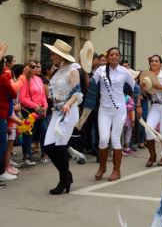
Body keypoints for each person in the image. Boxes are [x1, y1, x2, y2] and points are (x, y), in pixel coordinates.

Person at [82, 47, 140, 181]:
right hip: (104, 110)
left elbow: (135, 87)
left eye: (116, 55)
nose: (114, 56)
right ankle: (102, 168)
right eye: (111, 54)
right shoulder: (100, 70)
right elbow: (91, 84)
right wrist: (86, 70)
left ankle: (116, 170)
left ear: (119, 57)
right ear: (108, 57)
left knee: (115, 139)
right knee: (103, 139)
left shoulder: (124, 71)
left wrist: (137, 106)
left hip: (119, 110)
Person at [42, 40, 83, 194]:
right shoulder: (57, 71)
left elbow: (77, 92)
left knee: (59, 146)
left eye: (53, 54)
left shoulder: (72, 70)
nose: (51, 57)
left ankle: (63, 180)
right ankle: (67, 175)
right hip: (56, 112)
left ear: (60, 56)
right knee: (48, 146)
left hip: (68, 112)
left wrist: (68, 104)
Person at [19, 61, 48, 166]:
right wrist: (35, 106)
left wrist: (45, 106)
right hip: (29, 111)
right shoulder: (24, 80)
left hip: (40, 111)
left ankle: (45, 154)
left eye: (37, 66)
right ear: (27, 68)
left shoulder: (39, 79)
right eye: (32, 66)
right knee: (28, 134)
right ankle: (27, 156)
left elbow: (43, 96)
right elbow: (22, 99)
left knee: (44, 131)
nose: (35, 68)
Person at [0, 55, 18, 185]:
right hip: (1, 115)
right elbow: (14, 93)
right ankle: (1, 173)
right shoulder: (3, 78)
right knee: (2, 145)